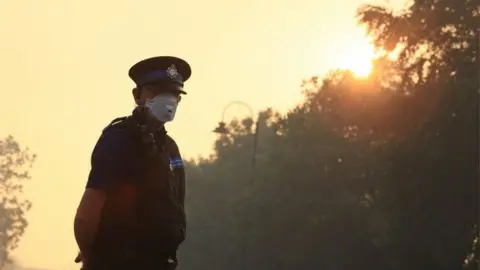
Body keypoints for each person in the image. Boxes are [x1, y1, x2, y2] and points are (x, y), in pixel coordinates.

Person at [74, 56, 191, 270]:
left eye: (174, 93)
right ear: (137, 95)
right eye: (157, 91)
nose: (168, 100)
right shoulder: (118, 140)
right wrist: (91, 258)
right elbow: (86, 215)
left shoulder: (170, 148)